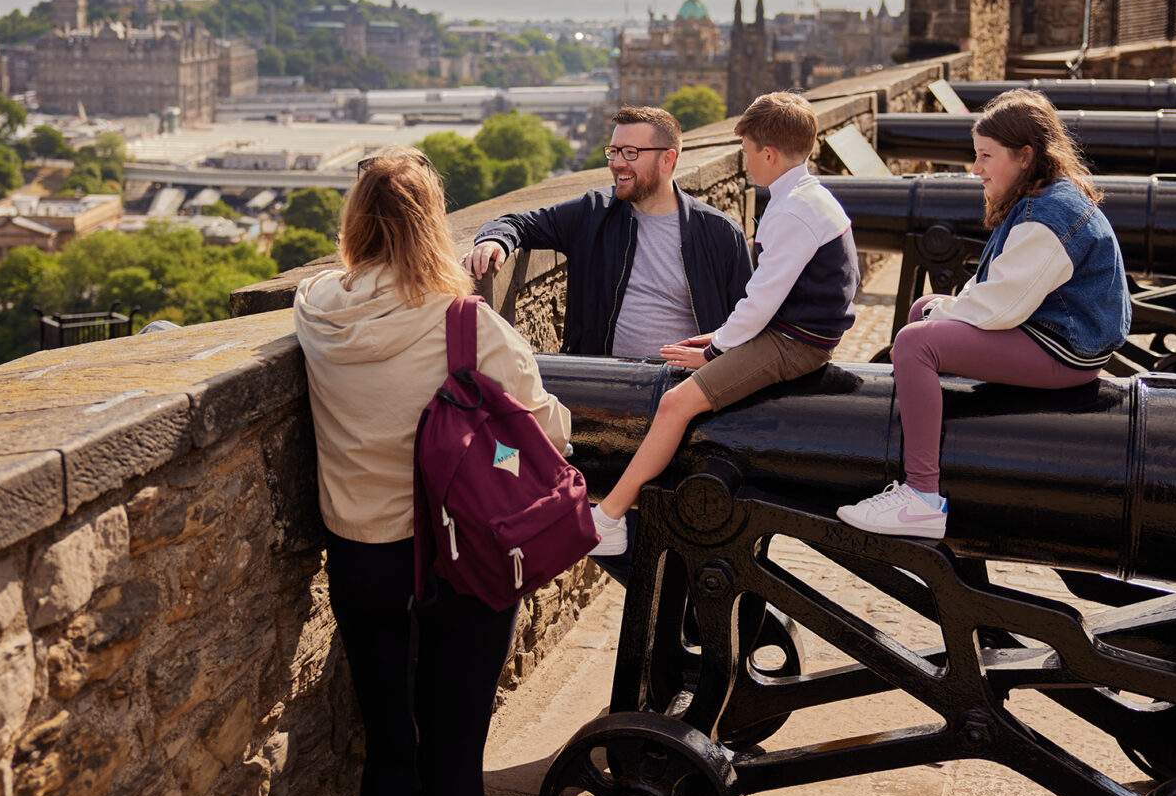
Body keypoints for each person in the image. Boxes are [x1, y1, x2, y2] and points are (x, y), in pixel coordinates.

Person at [294, 148, 571, 796]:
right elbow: (549, 434)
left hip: (363, 554)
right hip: (461, 556)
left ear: (355, 222)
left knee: (389, 744)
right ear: (431, 224)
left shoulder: (316, 309)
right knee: (451, 751)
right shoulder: (466, 324)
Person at [836, 89, 1131, 539]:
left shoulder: (1046, 216)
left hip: (1065, 351)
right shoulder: (1042, 197)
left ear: (1025, 156)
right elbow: (996, 285)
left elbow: (999, 307)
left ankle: (921, 497)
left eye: (986, 156)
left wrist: (942, 314)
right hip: (1055, 332)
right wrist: (939, 309)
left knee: (915, 343)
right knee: (921, 312)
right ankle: (938, 431)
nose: (976, 169)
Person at [588, 92, 860, 555]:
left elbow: (760, 300)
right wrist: (718, 339)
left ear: (768, 154)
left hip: (794, 343)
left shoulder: (790, 210)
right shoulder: (810, 196)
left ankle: (610, 515)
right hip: (797, 331)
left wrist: (716, 351)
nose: (746, 162)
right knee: (693, 353)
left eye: (748, 151)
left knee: (676, 403)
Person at [463, 105, 753, 358]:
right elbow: (518, 223)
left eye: (631, 152)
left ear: (667, 160)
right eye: (613, 152)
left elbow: (746, 327)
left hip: (688, 387)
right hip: (605, 386)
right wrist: (494, 240)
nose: (616, 163)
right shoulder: (593, 213)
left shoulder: (721, 234)